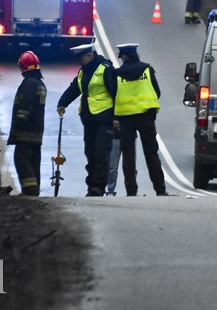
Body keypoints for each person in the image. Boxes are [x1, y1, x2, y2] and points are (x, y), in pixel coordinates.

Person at [57, 43, 116, 197]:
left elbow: (117, 94)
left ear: (90, 56)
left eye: (80, 59)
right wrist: (63, 102)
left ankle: (98, 187)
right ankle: (91, 186)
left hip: (105, 118)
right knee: (90, 154)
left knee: (101, 154)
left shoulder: (105, 69)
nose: (79, 62)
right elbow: (74, 88)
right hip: (89, 120)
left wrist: (117, 118)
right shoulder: (84, 71)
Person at [113, 43, 168, 196]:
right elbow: (156, 92)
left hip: (125, 118)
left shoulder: (117, 74)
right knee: (152, 154)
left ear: (124, 56)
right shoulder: (147, 70)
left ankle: (131, 191)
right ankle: (160, 190)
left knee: (128, 155)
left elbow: (113, 96)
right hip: (146, 117)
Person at [8, 51, 47, 196]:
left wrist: (17, 127)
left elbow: (25, 107)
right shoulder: (39, 83)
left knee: (22, 160)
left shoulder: (29, 84)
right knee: (33, 162)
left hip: (26, 133)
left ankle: (29, 191)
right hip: (36, 134)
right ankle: (34, 191)